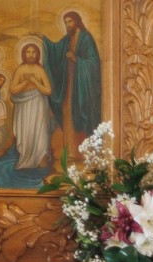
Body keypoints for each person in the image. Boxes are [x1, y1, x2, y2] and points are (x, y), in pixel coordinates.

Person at [43, 10, 101, 142]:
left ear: (77, 21)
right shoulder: (67, 39)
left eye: (70, 21)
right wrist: (44, 41)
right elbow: (55, 50)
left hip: (81, 86)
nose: (68, 25)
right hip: (68, 85)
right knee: (68, 116)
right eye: (66, 22)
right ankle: (70, 152)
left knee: (79, 115)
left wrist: (76, 59)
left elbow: (94, 63)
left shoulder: (86, 37)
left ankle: (83, 153)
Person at [9, 42, 56, 171]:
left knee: (40, 132)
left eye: (33, 52)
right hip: (24, 107)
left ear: (38, 54)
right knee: (27, 132)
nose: (31, 55)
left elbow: (48, 90)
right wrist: (26, 81)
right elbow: (13, 90)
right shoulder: (20, 69)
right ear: (24, 54)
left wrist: (34, 80)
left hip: (39, 105)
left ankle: (42, 160)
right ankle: (26, 159)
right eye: (28, 52)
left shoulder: (40, 70)